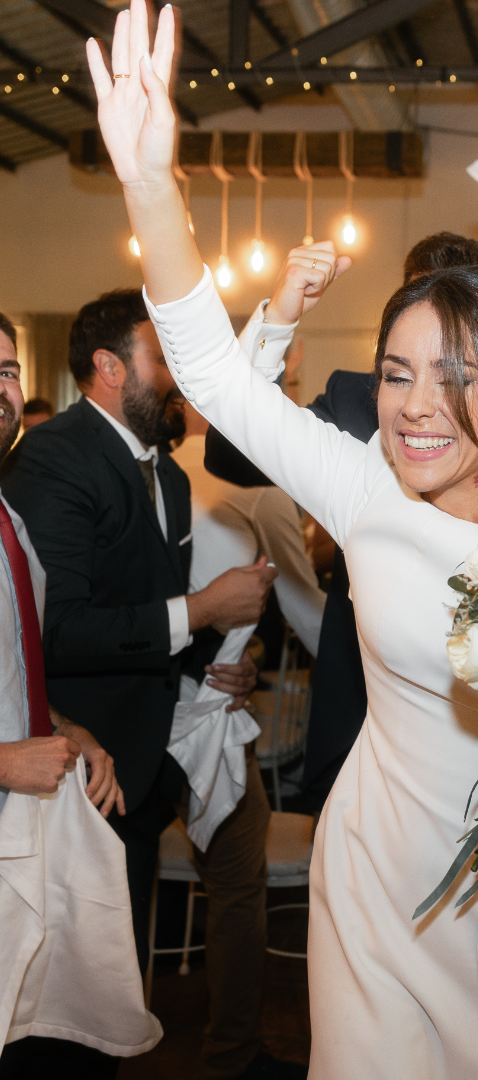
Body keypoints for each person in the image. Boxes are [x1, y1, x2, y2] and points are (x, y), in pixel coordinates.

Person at [87, 11, 478, 1077]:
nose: (417, 408)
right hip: (380, 888)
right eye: (397, 372)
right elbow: (213, 379)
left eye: (457, 376)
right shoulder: (365, 491)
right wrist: (154, 187)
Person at [202, 236, 478, 812]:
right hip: (362, 698)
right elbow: (230, 452)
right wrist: (279, 320)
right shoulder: (359, 396)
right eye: (414, 299)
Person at [0, 285, 280, 1079]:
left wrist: (217, 664)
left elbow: (147, 618)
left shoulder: (172, 476)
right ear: (109, 368)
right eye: (164, 355)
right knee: (71, 989)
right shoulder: (54, 459)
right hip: (71, 766)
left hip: (141, 750)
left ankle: (220, 1051)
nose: (180, 371)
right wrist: (199, 608)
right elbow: (58, 628)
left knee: (116, 965)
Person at [0, 313, 161, 1078]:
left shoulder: (8, 519)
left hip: (31, 818)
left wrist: (73, 729)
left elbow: (18, 660)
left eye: (5, 371)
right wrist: (1, 761)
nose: (1, 391)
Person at [177, 405, 326, 655]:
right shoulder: (257, 482)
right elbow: (304, 609)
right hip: (211, 669)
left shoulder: (161, 467)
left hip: (150, 661)